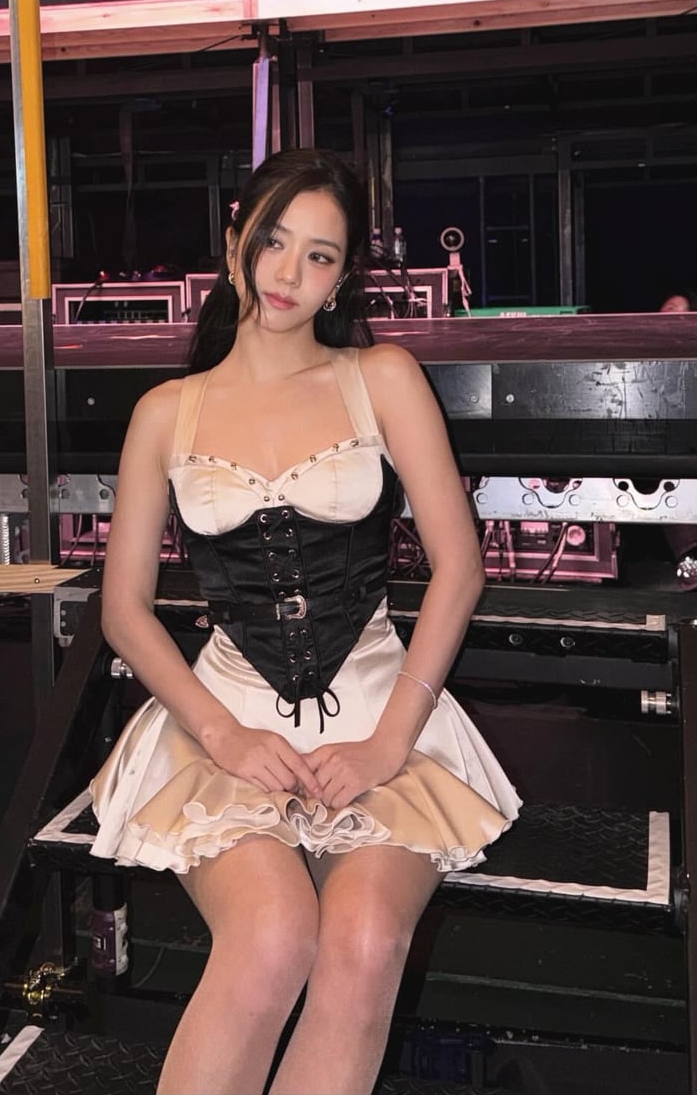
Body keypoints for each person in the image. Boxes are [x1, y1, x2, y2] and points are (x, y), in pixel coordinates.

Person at [90, 149, 521, 1095]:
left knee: (363, 943)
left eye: (319, 256)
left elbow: (460, 568)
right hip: (224, 720)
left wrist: (387, 743)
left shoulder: (382, 377)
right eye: (275, 241)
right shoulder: (166, 412)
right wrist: (223, 735)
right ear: (236, 239)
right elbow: (123, 609)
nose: (289, 273)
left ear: (343, 275)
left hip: (380, 710)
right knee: (274, 934)